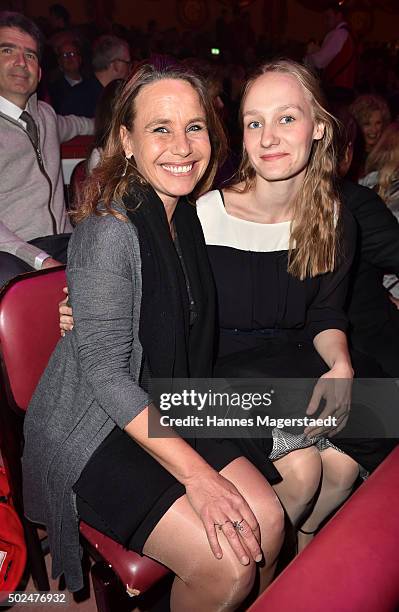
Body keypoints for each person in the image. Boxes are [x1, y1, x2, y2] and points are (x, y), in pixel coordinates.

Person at [61, 60, 382, 553]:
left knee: (346, 463)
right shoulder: (201, 213)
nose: (270, 138)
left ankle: (299, 571)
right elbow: (139, 290)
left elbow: (326, 313)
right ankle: (267, 567)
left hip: (288, 364)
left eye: (287, 119)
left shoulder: (335, 216)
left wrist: (340, 362)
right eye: (255, 122)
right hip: (213, 381)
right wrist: (78, 308)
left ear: (319, 126)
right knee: (305, 468)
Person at [22, 64, 285, 610]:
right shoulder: (108, 231)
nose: (182, 146)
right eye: (160, 128)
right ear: (126, 140)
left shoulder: (183, 216)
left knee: (270, 518)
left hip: (165, 396)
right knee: (228, 566)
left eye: (195, 127)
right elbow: (104, 371)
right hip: (93, 423)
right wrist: (200, 479)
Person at [0, 11, 93, 286]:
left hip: (63, 243)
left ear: (39, 72)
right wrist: (38, 259)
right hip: (12, 253)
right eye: (8, 50)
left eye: (30, 55)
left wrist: (125, 122)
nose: (21, 62)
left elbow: (78, 125)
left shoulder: (46, 116)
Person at [58, 34, 131, 118]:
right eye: (127, 63)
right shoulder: (79, 100)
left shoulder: (115, 94)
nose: (130, 69)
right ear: (116, 65)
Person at [304, 1, 357, 100]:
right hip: (343, 89)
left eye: (328, 17)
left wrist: (310, 53)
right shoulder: (347, 33)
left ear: (339, 16)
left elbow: (320, 62)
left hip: (337, 91)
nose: (325, 22)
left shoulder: (339, 34)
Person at [48, 39, 83, 113]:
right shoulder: (55, 91)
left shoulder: (92, 83)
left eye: (72, 54)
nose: (69, 58)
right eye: (64, 55)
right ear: (60, 61)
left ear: (79, 58)